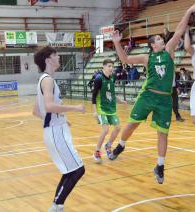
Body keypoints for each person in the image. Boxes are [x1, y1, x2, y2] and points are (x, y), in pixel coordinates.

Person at [109, 4, 195, 184]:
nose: (162, 39)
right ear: (153, 44)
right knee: (132, 125)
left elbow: (180, 28)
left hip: (165, 99)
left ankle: (160, 166)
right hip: (148, 96)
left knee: (163, 134)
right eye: (159, 38)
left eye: (161, 38)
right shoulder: (147, 57)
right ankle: (120, 145)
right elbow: (125, 59)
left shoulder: (169, 50)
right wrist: (116, 43)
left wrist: (188, 11)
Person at [33, 46, 85, 212]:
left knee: (71, 170)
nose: (58, 57)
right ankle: (56, 206)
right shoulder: (47, 80)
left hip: (55, 129)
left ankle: (57, 205)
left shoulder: (44, 79)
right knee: (78, 170)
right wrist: (75, 108)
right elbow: (48, 107)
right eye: (55, 55)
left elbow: (36, 111)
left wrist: (61, 118)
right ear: (48, 60)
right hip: (55, 132)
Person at [92, 59, 126, 163]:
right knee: (105, 129)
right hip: (101, 108)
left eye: (112, 66)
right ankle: (97, 151)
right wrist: (94, 111)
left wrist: (120, 101)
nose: (111, 68)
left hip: (111, 108)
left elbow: (111, 92)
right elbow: (93, 96)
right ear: (104, 67)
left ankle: (108, 145)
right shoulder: (98, 79)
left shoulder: (112, 78)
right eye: (109, 66)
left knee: (118, 127)